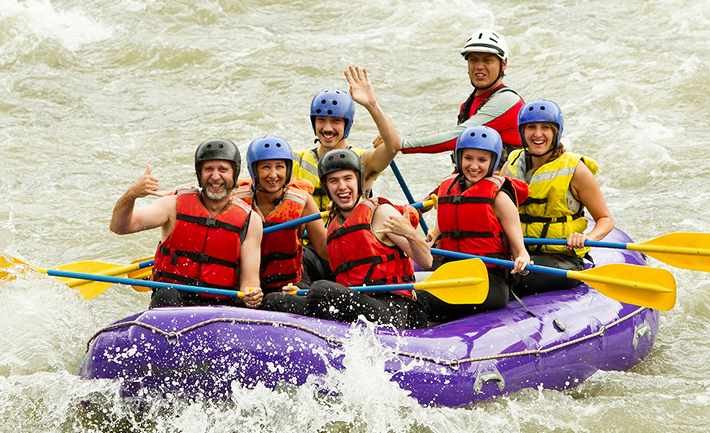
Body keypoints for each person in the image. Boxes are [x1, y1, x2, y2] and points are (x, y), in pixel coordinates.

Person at [262, 149, 431, 329]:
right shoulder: (335, 226)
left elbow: (426, 261)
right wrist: (303, 294)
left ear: (358, 182)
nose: (342, 186)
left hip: (390, 309)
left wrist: (411, 234)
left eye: (347, 179)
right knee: (275, 300)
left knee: (321, 290)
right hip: (354, 305)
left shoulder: (381, 213)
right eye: (334, 181)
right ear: (327, 187)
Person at [109, 139, 264, 309]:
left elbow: (249, 282)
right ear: (199, 173)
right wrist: (131, 195)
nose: (215, 176)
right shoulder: (172, 206)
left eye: (223, 170)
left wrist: (252, 295)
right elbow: (120, 227)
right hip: (172, 301)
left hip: (219, 307)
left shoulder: (251, 221)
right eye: (208, 169)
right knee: (166, 294)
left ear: (234, 174)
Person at [294, 66, 402, 282]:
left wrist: (371, 104)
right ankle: (298, 295)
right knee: (297, 255)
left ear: (347, 124)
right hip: (314, 252)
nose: (327, 128)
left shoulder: (363, 161)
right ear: (313, 123)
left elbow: (393, 146)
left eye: (336, 121)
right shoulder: (295, 159)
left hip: (355, 250)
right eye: (321, 120)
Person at [499, 99, 614, 295]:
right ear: (522, 132)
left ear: (556, 132)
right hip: (519, 253)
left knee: (509, 276)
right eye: (531, 127)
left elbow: (605, 219)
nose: (537, 134)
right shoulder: (511, 164)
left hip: (561, 258)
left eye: (545, 127)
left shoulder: (576, 169)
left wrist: (586, 237)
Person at [422, 125, 530, 322]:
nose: (474, 166)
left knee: (422, 301)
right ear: (459, 157)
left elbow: (520, 251)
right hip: (452, 270)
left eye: (482, 160)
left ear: (493, 162)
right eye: (468, 158)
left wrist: (521, 260)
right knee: (410, 292)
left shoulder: (500, 198)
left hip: (488, 280)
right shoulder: (448, 189)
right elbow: (437, 240)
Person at [392, 29, 525, 158]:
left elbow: (459, 137)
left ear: (503, 64)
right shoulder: (469, 104)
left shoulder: (507, 101)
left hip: (504, 179)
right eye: (473, 60)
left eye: (487, 60)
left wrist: (400, 145)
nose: (479, 66)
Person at [232, 135, 328, 294]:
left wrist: (342, 220)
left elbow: (325, 250)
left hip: (291, 282)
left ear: (288, 169)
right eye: (265, 167)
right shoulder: (237, 201)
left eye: (279, 167)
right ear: (253, 170)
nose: (273, 174)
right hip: (247, 284)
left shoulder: (303, 201)